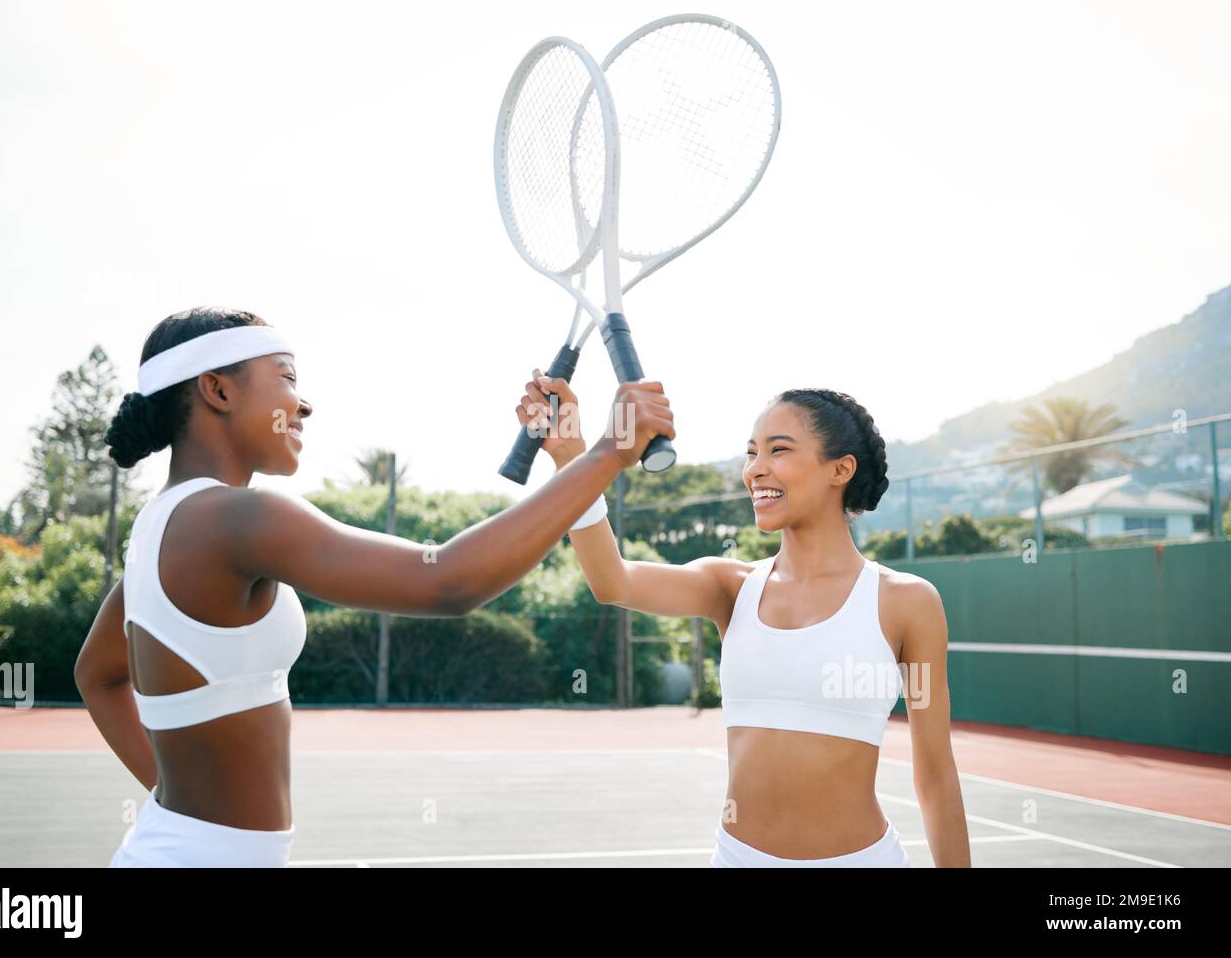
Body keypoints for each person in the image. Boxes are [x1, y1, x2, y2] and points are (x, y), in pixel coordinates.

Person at [74, 306, 675, 866]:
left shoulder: (160, 524)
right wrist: (607, 453)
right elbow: (447, 582)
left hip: (175, 847)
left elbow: (95, 675)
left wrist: (185, 805)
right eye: (286, 377)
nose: (303, 405)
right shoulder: (237, 518)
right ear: (218, 389)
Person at [523, 373, 971, 867]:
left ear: (840, 469)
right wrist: (573, 460)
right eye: (751, 452)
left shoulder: (907, 602)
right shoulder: (730, 587)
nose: (756, 469)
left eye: (779, 450)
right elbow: (613, 582)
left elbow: (935, 777)